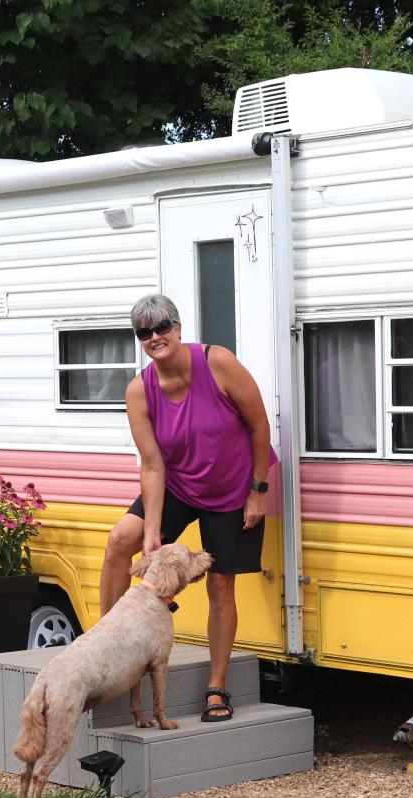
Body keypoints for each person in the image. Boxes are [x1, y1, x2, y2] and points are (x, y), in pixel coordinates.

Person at [100, 293, 277, 722]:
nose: (155, 337)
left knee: (220, 586)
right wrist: (152, 531)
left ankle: (217, 688)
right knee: (119, 541)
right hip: (179, 482)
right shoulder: (139, 391)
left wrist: (258, 489)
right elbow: (153, 464)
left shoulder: (218, 363)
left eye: (162, 327)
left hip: (233, 487)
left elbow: (259, 426)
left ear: (178, 328)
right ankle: (106, 645)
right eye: (144, 332)